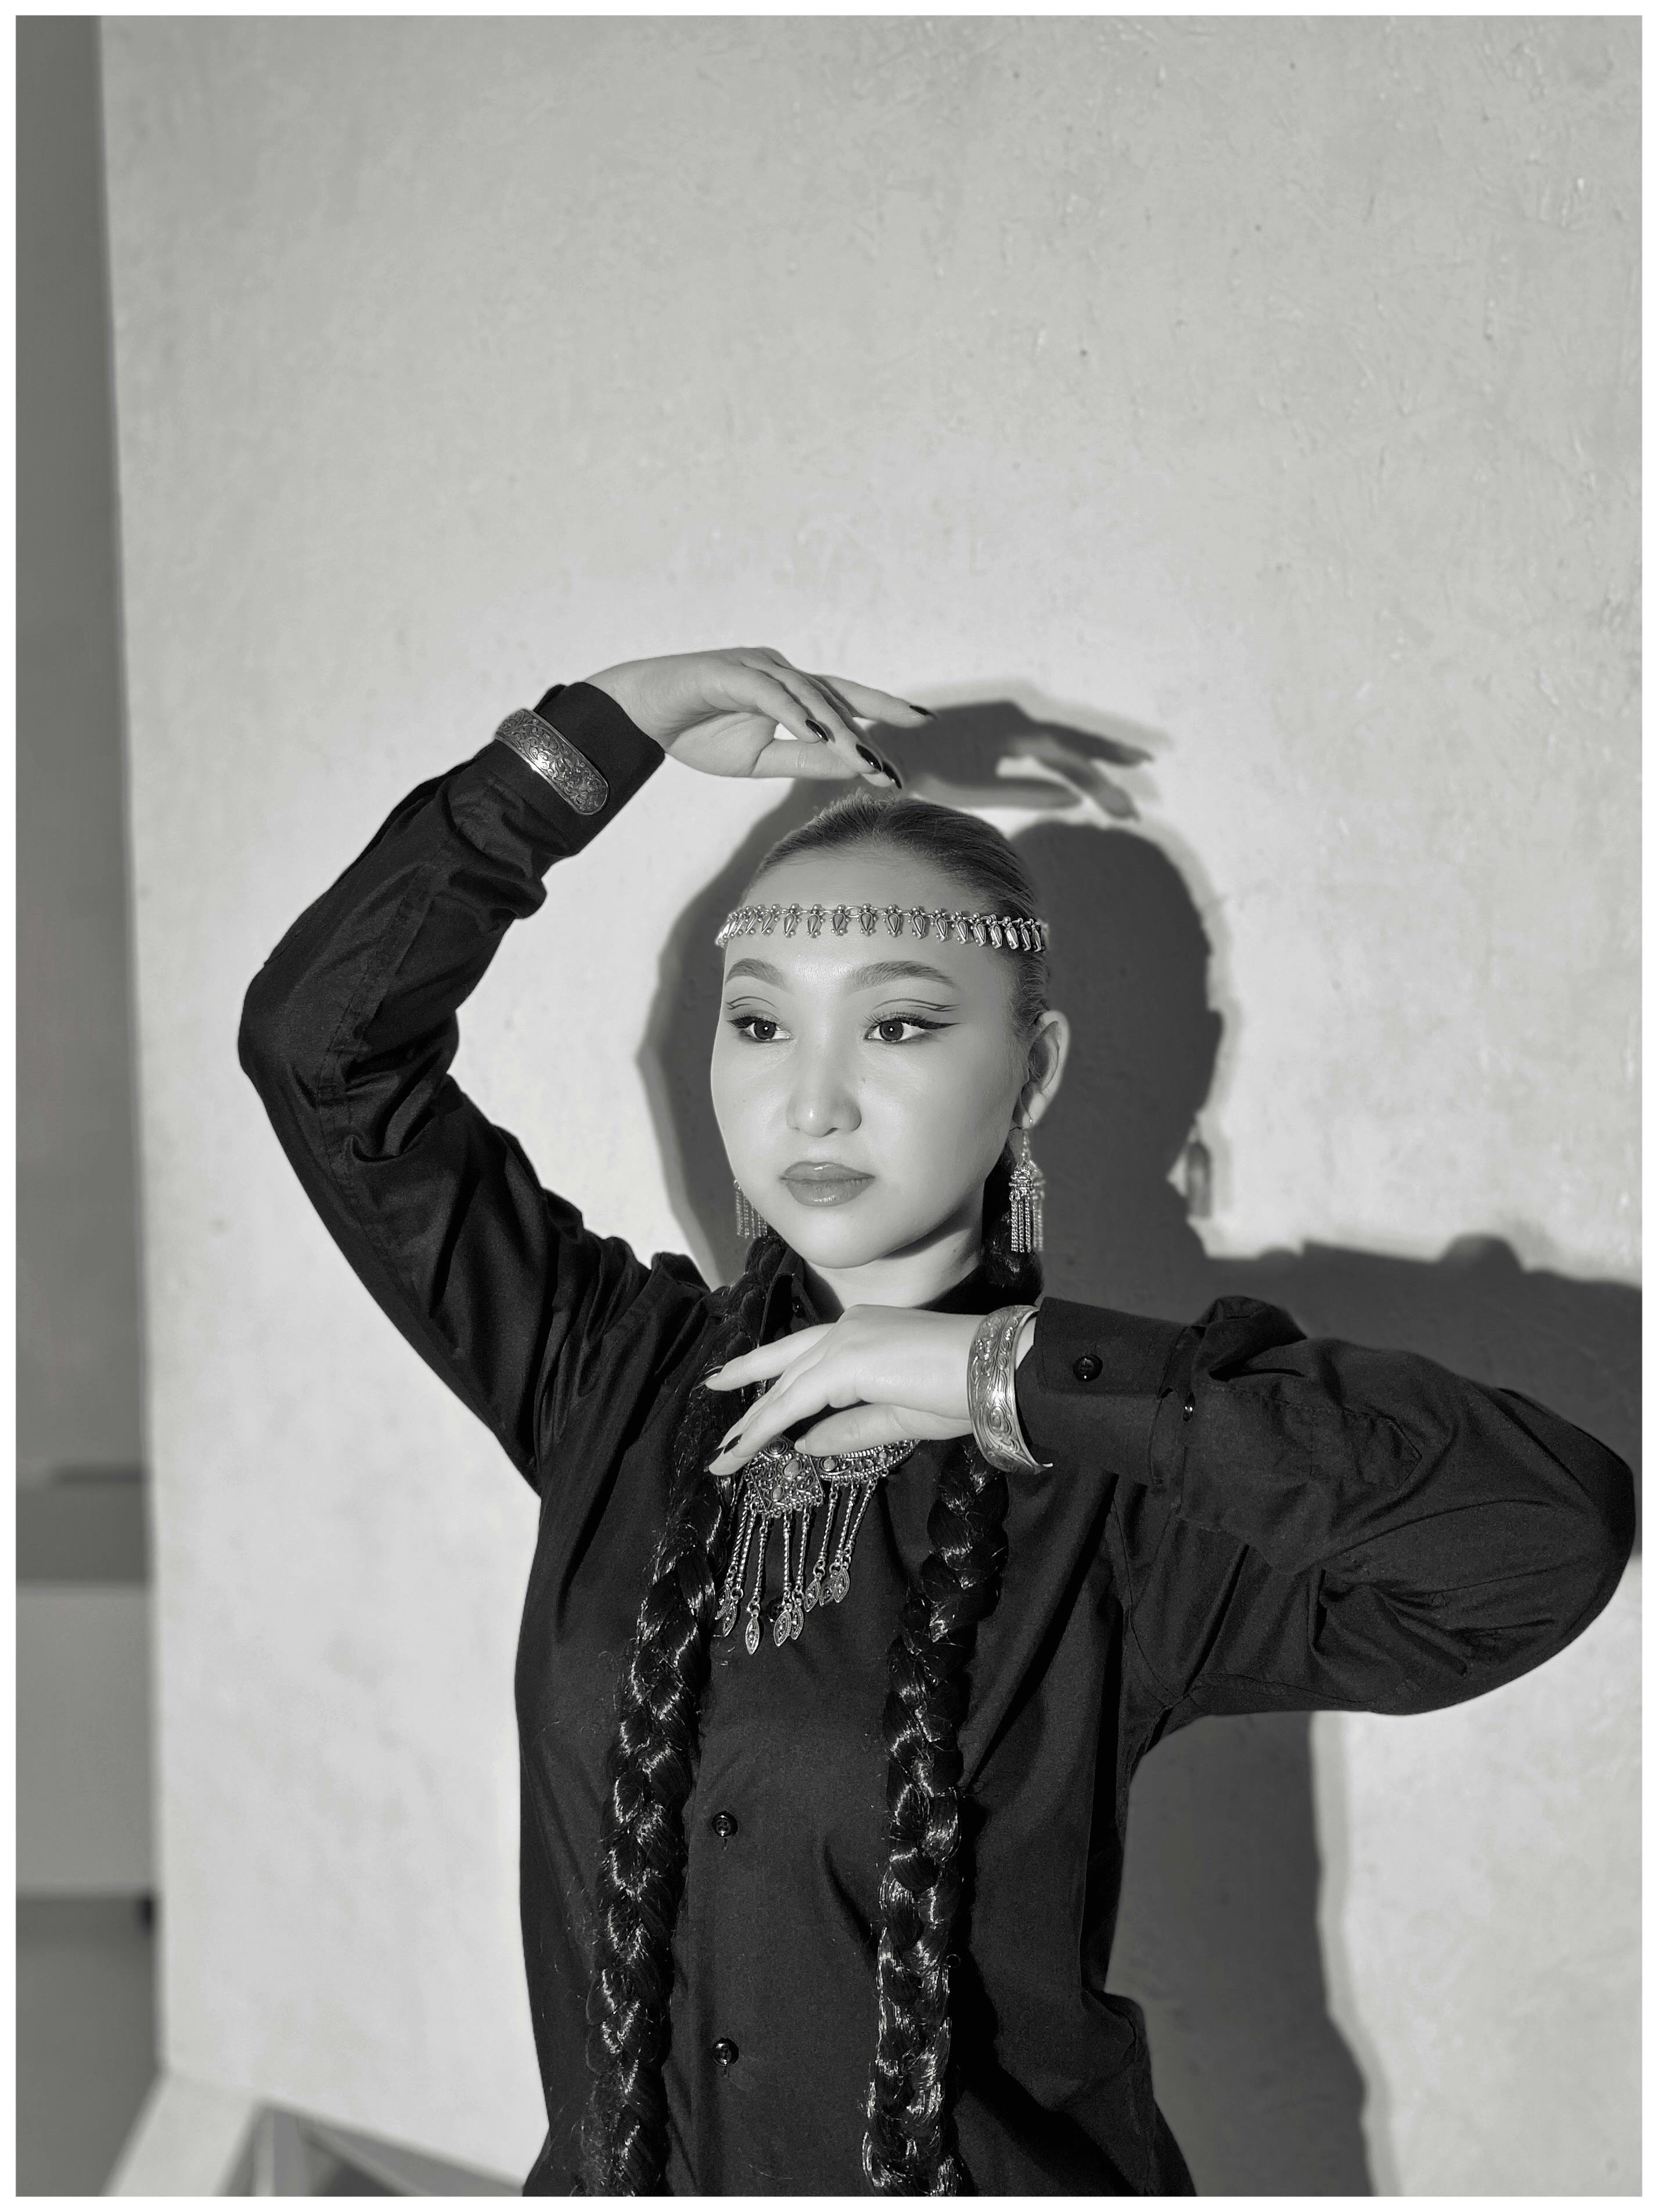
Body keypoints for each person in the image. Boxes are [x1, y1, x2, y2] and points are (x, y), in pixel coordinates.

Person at [239, 645, 1634, 2197]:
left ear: (1030, 1074)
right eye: (759, 1025)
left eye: (898, 1026)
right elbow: (322, 1050)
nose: (813, 1102)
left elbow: (1542, 1539)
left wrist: (999, 1379)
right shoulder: (611, 1379)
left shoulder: (1123, 1495)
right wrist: (604, 733)